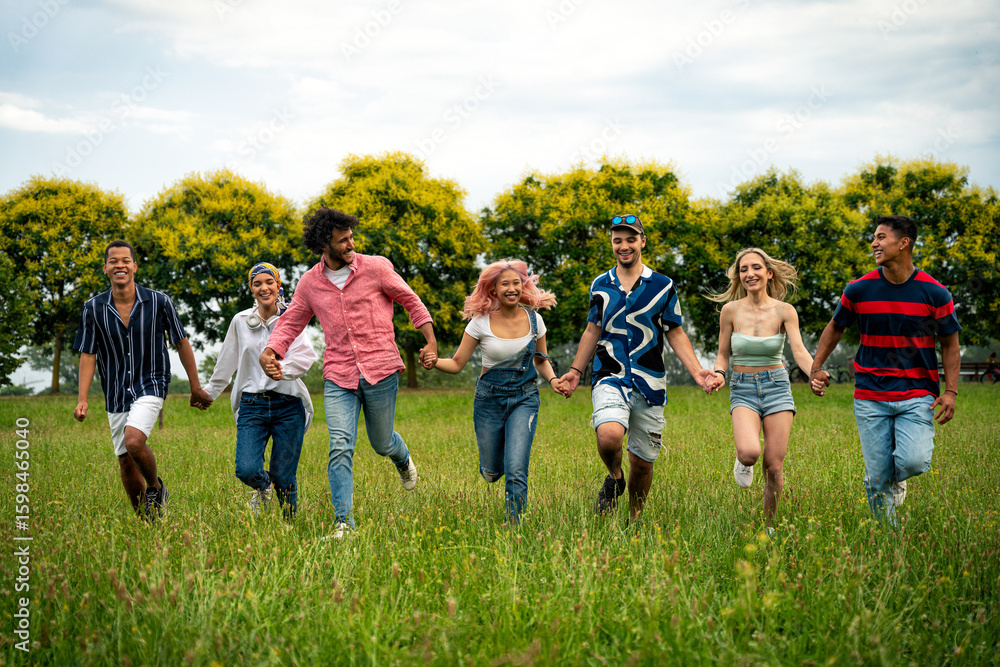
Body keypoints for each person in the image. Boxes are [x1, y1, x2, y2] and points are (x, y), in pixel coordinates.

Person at [259, 207, 437, 539]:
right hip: (339, 375)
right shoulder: (310, 283)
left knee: (382, 442)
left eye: (351, 237)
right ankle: (344, 524)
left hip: (381, 368)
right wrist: (271, 351)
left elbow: (412, 302)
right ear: (324, 245)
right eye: (343, 240)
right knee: (340, 445)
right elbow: (291, 321)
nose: (350, 243)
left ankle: (402, 458)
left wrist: (430, 341)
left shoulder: (377, 268)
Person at [558, 215, 717, 522]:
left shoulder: (663, 286)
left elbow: (675, 331)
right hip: (610, 375)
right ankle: (615, 477)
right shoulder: (600, 285)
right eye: (618, 240)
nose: (624, 246)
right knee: (608, 436)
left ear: (642, 241)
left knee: (643, 462)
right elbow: (593, 329)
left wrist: (698, 371)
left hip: (650, 382)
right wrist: (576, 372)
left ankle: (635, 519)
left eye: (631, 239)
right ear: (612, 244)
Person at [811, 215, 961, 524]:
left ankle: (899, 476)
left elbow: (949, 344)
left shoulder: (935, 293)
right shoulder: (859, 289)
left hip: (917, 392)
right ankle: (887, 537)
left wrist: (951, 391)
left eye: (881, 237)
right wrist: (816, 367)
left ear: (903, 242)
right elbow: (836, 328)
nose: (874, 243)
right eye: (874, 237)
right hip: (870, 394)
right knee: (877, 477)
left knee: (914, 460)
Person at [73, 240, 212, 520]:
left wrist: (195, 386)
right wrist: (82, 399)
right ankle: (147, 523)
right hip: (115, 391)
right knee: (125, 461)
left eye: (125, 260)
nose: (120, 265)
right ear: (105, 268)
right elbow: (88, 354)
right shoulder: (93, 308)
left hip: (151, 382)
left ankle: (155, 487)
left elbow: (181, 342)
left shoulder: (160, 302)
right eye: (113, 261)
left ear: (134, 266)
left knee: (134, 442)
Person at [420, 259, 565, 523]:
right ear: (494, 290)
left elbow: (541, 360)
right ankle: (491, 468)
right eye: (505, 284)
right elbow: (456, 364)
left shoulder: (536, 321)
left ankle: (515, 527)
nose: (512, 288)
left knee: (516, 467)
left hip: (525, 397)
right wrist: (433, 362)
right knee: (492, 471)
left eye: (516, 283)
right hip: (489, 400)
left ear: (524, 287)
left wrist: (554, 380)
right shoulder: (480, 322)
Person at [708, 248, 818, 529]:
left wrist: (815, 373)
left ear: (769, 273)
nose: (749, 274)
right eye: (743, 269)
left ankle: (769, 526)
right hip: (742, 387)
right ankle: (742, 462)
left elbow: (800, 352)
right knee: (750, 453)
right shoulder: (730, 311)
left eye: (755, 268)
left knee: (773, 464)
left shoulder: (785, 311)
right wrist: (719, 374)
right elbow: (723, 354)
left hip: (777, 387)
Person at [202, 263, 316, 520]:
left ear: (278, 285)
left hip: (288, 404)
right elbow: (227, 360)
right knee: (246, 469)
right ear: (251, 289)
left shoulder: (292, 318)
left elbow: (305, 355)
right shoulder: (241, 321)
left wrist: (281, 370)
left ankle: (290, 526)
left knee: (284, 475)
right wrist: (210, 393)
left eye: (269, 282)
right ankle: (262, 488)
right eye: (257, 283)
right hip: (252, 404)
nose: (264, 287)